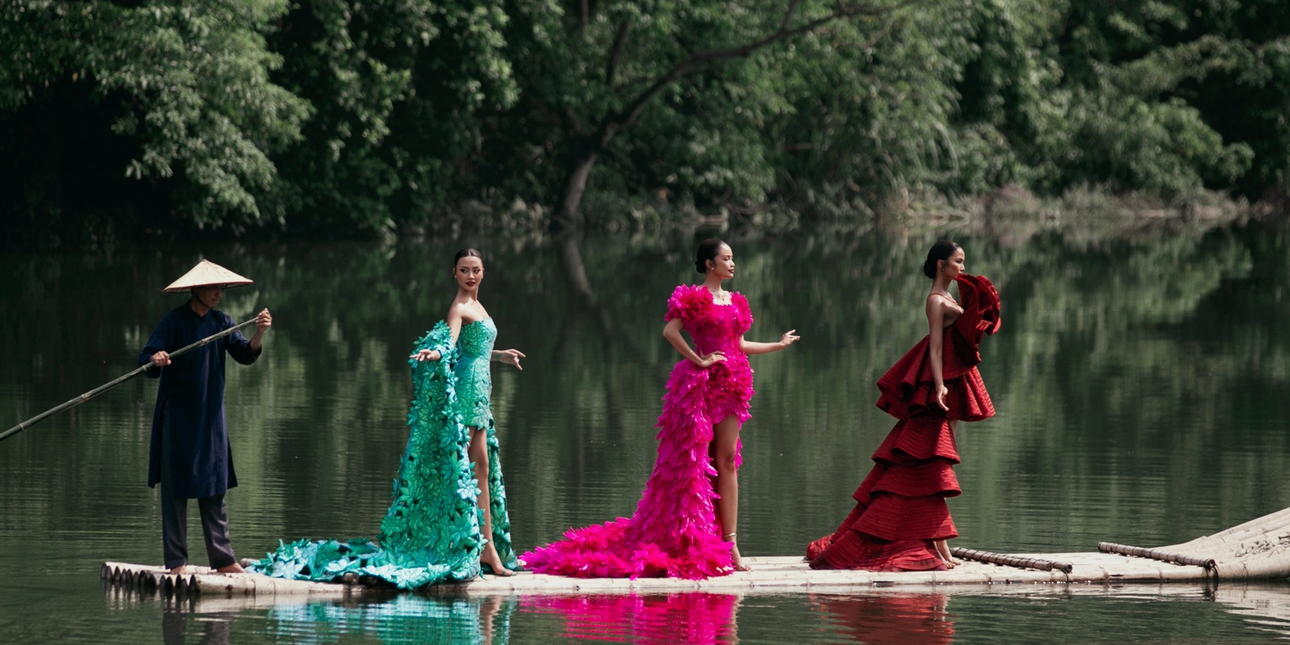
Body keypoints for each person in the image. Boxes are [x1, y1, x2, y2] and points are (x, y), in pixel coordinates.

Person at [520, 239, 798, 578]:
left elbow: (739, 345)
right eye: (726, 259)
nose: (732, 264)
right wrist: (699, 360)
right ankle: (689, 538)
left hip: (733, 385)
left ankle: (731, 543)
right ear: (709, 264)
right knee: (693, 465)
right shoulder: (694, 298)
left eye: (732, 259)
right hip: (699, 388)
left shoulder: (737, 301)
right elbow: (670, 331)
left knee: (726, 460)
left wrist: (777, 345)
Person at [254, 248, 526, 587]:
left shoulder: (479, 306)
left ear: (483, 272)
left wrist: (500, 356)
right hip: (469, 392)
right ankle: (477, 548)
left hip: (483, 393)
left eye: (476, 270)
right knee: (465, 472)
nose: (471, 276)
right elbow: (452, 344)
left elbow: (477, 348)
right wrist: (436, 352)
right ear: (453, 273)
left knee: (482, 470)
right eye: (464, 270)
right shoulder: (459, 307)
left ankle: (486, 547)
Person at [807, 239, 999, 571]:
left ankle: (939, 544)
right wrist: (938, 386)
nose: (963, 268)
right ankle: (940, 547)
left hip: (953, 381)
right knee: (936, 467)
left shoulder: (950, 296)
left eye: (964, 262)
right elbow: (936, 349)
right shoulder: (936, 301)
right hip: (940, 387)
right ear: (941, 264)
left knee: (940, 467)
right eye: (958, 262)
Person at [141, 259, 273, 574]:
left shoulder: (222, 322)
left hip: (210, 418)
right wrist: (156, 358)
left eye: (221, 288)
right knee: (175, 489)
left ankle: (223, 560)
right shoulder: (173, 322)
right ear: (197, 290)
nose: (218, 293)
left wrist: (258, 333)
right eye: (213, 288)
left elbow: (245, 354)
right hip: (178, 417)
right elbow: (146, 358)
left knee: (214, 486)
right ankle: (176, 562)